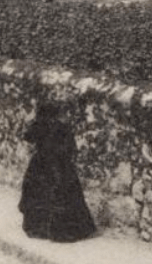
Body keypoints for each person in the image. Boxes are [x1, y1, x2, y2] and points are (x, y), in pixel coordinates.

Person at [18, 99, 96, 243]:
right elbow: (72, 148)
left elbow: (27, 137)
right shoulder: (63, 127)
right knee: (63, 194)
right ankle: (63, 231)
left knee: (39, 193)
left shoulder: (40, 125)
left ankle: (38, 229)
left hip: (41, 164)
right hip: (61, 165)